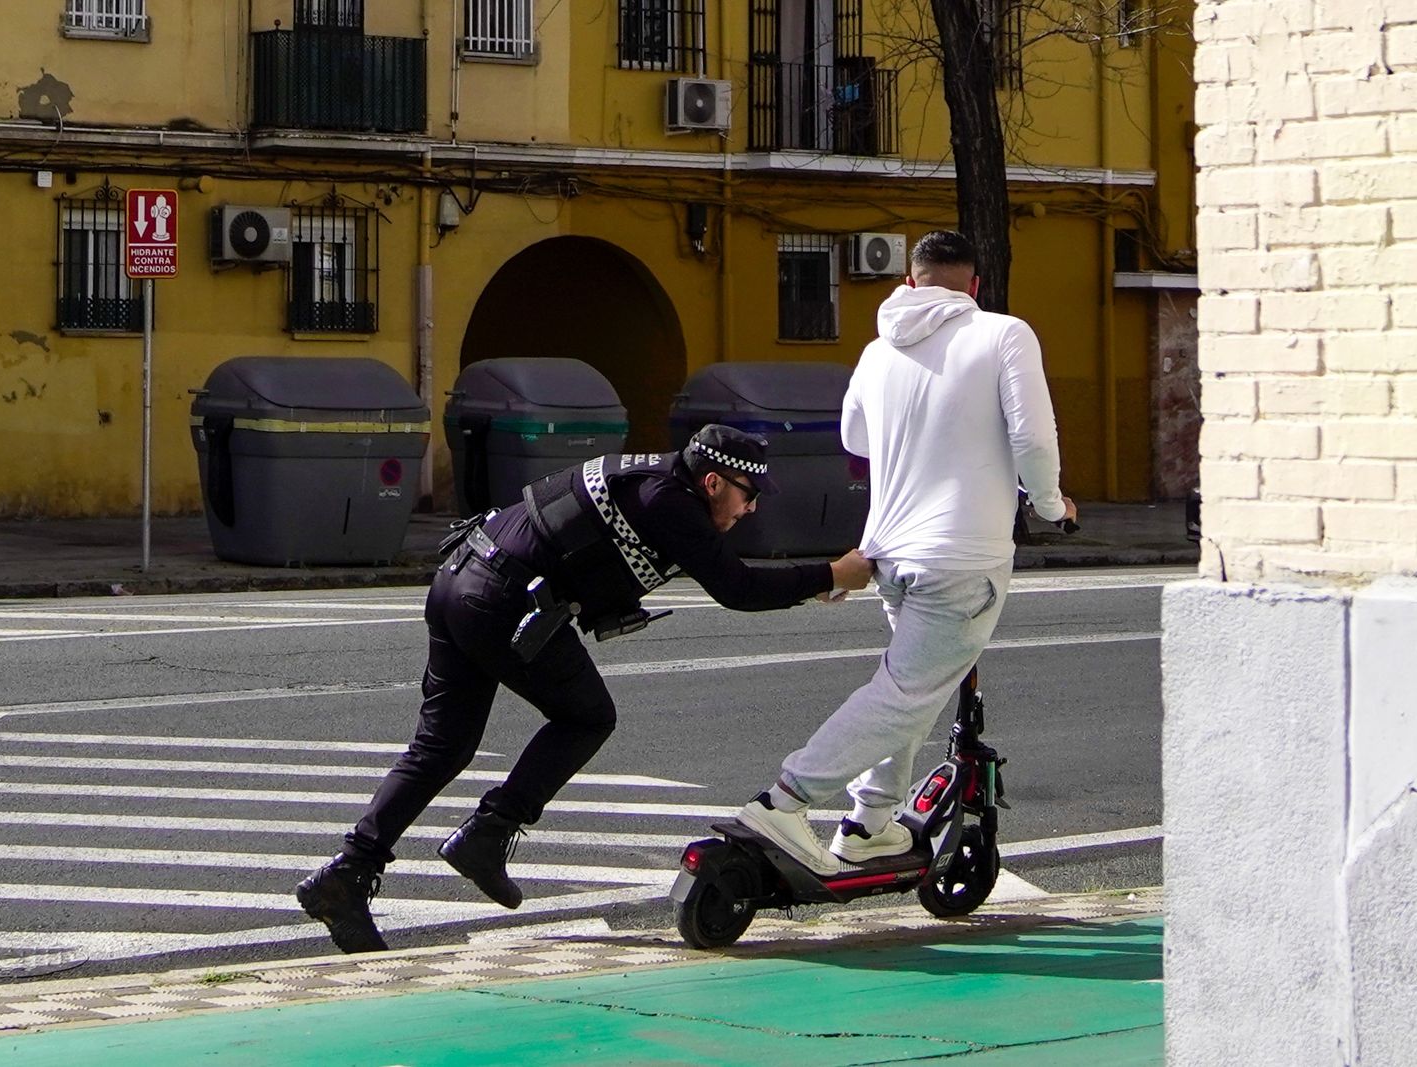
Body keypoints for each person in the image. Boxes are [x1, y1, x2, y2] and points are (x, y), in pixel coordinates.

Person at [297, 424, 874, 953]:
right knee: (587, 717)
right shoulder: (668, 502)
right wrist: (830, 575)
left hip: (461, 580)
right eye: (747, 494)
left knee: (441, 747)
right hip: (499, 599)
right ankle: (489, 831)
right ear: (713, 481)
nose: (749, 509)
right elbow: (738, 588)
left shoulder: (653, 480)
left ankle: (344, 877)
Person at [736, 229, 1076, 875]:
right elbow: (1033, 437)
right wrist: (1053, 506)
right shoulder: (1004, 334)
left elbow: (855, 437)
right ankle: (786, 800)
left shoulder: (876, 350)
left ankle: (869, 824)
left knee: (911, 687)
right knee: (906, 691)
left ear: (910, 280)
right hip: (961, 555)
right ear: (974, 284)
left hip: (890, 550)